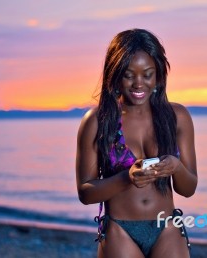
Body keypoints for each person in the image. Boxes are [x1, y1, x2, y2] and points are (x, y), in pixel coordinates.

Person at [75, 28, 198, 258]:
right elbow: (86, 193)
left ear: (159, 75)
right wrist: (126, 177)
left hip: (167, 228)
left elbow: (188, 188)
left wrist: (176, 167)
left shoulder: (177, 117)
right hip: (120, 230)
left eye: (147, 74)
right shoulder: (97, 121)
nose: (138, 84)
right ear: (115, 75)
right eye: (129, 75)